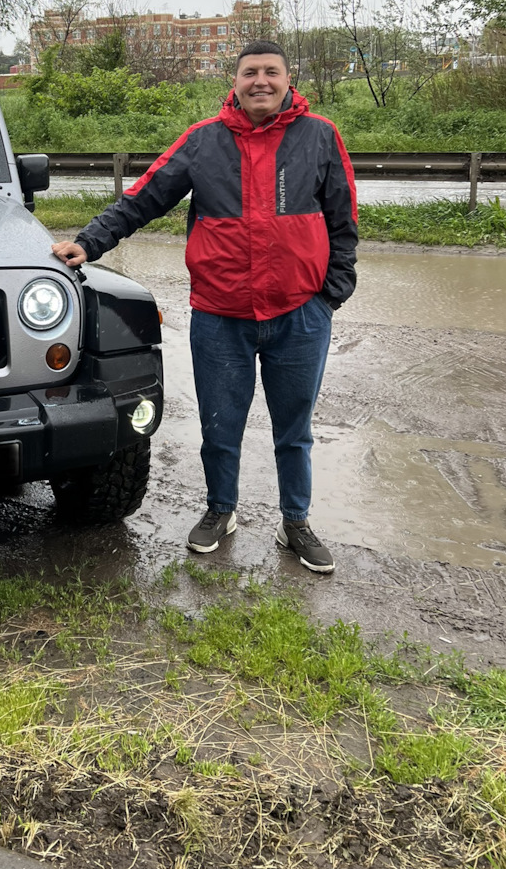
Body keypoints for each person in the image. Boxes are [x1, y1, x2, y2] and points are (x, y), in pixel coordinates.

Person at [51, 41, 357, 573]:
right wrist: (89, 242)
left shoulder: (320, 136)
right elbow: (144, 197)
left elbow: (343, 217)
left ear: (289, 79)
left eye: (271, 72)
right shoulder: (203, 141)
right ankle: (221, 510)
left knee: (295, 427)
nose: (261, 81)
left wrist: (331, 293)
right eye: (250, 73)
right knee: (220, 425)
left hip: (299, 314)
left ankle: (296, 522)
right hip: (221, 314)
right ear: (234, 81)